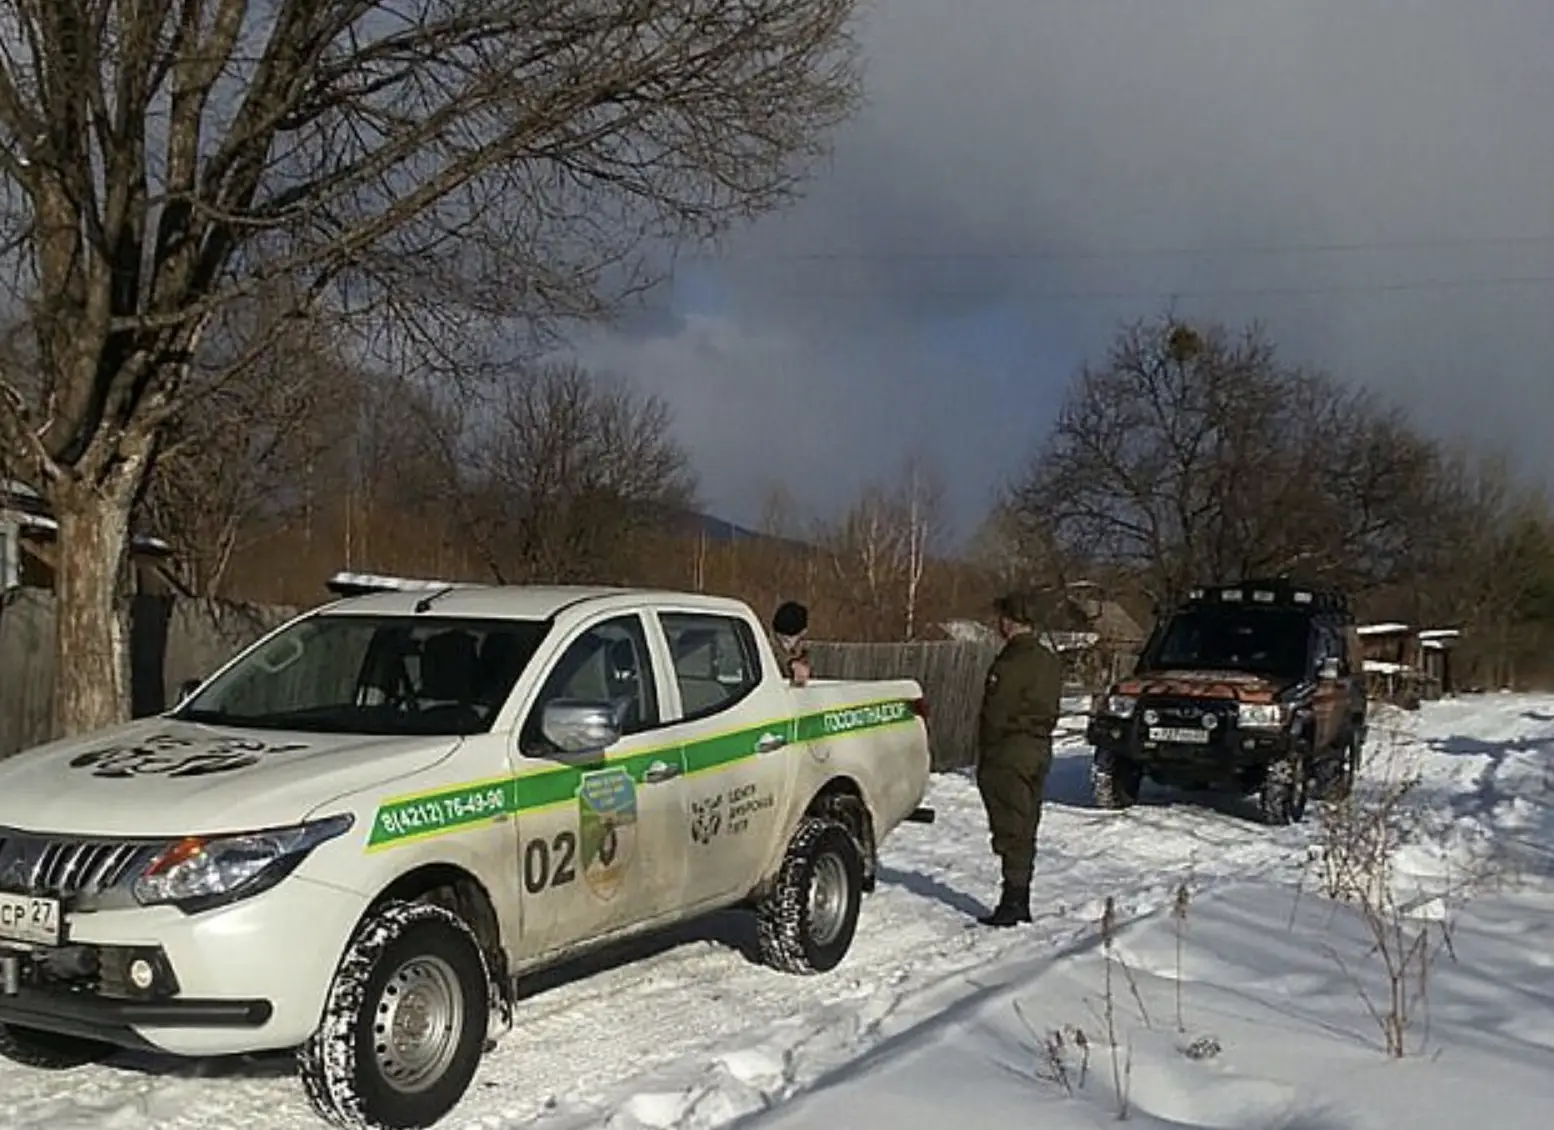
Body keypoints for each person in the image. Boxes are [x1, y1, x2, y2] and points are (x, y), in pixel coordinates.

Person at [975, 591, 1064, 927]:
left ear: (1009, 621)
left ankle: (1013, 901)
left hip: (1009, 751)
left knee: (1010, 826)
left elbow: (995, 714)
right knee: (1027, 824)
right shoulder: (1049, 660)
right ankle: (1020, 895)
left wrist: (986, 751)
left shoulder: (1010, 662)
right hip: (1039, 748)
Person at [771, 600, 812, 686]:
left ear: (803, 633)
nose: (783, 645)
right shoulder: (768, 648)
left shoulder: (807, 653)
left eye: (787, 641)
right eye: (779, 639)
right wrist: (791, 665)